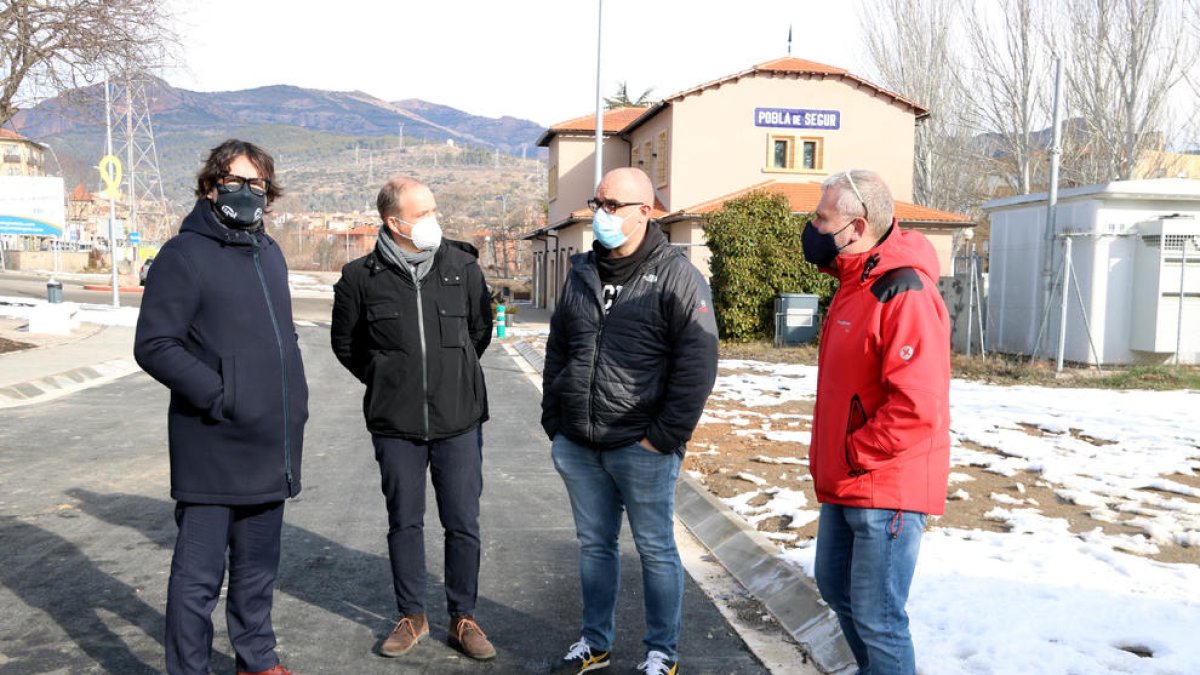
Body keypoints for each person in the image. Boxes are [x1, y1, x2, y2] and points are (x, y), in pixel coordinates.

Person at [134, 139, 308, 675]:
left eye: (257, 185)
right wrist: (219, 394)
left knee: (257, 572)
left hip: (269, 447)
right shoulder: (182, 255)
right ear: (211, 187)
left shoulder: (269, 253)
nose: (247, 193)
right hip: (212, 444)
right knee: (198, 579)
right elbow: (155, 344)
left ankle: (256, 658)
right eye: (235, 182)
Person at [542, 167, 719, 675]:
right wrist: (555, 418)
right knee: (595, 547)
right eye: (599, 203)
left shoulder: (677, 276)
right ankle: (595, 643)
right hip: (579, 442)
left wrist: (661, 438)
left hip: (642, 446)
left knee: (656, 549)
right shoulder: (580, 272)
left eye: (615, 205)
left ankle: (662, 652)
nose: (603, 214)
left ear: (646, 211)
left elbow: (698, 366)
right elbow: (560, 347)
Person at [330, 177, 495, 661]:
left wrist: (451, 377)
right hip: (395, 424)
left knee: (463, 523)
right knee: (404, 522)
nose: (432, 221)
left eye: (433, 211)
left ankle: (463, 617)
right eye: (422, 214)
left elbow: (478, 333)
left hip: (459, 420)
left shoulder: (462, 267)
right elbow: (347, 346)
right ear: (393, 221)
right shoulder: (360, 277)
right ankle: (412, 616)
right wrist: (389, 379)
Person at [802, 169, 951, 675]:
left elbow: (918, 404)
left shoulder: (902, 290)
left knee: (879, 617)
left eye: (822, 217)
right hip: (848, 480)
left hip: (884, 484)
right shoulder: (854, 284)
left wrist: (854, 452)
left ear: (857, 226)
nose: (813, 226)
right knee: (836, 589)